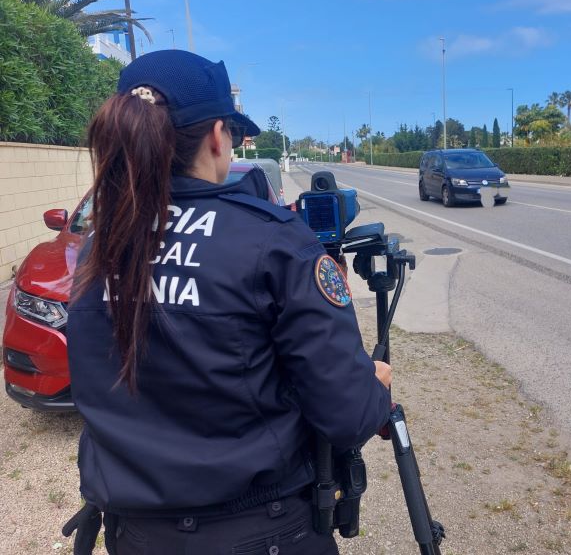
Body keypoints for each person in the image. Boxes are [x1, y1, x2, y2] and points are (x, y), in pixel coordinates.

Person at [64, 50, 392, 555]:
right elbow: (346, 416)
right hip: (262, 530)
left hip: (134, 535)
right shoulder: (272, 240)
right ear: (218, 136)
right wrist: (376, 385)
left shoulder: (100, 244)